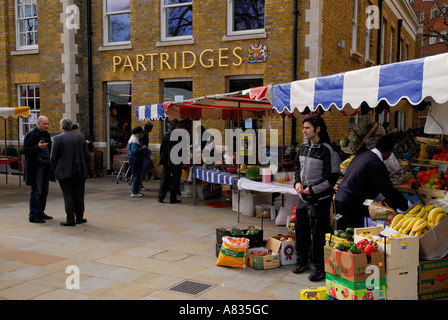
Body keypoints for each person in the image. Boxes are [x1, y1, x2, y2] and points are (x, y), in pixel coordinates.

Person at [293, 114, 341, 281]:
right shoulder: (303, 148)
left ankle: (320, 267)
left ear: (317, 129)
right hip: (303, 198)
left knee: (319, 234)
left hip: (320, 200)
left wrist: (312, 189)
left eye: (307, 128)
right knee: (301, 231)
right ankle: (302, 261)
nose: (304, 131)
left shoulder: (328, 150)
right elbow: (297, 168)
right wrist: (297, 183)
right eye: (303, 127)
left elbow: (333, 176)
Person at [335, 134, 412, 230]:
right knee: (355, 233)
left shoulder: (362, 155)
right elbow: (387, 189)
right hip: (351, 203)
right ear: (389, 153)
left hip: (340, 198)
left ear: (376, 146)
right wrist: (405, 205)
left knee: (342, 233)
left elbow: (372, 186)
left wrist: (389, 202)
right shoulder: (376, 164)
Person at [50, 118, 89, 226]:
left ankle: (70, 219)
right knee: (79, 195)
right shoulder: (81, 138)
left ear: (62, 127)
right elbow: (87, 155)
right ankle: (79, 218)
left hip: (64, 172)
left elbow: (53, 157)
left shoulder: (57, 139)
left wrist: (55, 168)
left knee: (68, 195)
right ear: (71, 127)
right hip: (79, 171)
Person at [21, 116, 55, 223]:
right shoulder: (31, 135)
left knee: (44, 190)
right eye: (44, 124)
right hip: (36, 167)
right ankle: (33, 215)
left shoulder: (46, 135)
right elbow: (25, 150)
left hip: (46, 165)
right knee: (36, 191)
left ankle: (41, 212)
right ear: (38, 123)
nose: (46, 126)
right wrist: (38, 147)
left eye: (47, 124)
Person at [158, 122, 185, 204]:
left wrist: (162, 158)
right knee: (175, 180)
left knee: (164, 179)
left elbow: (161, 148)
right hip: (176, 162)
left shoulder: (166, 135)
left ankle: (161, 197)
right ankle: (172, 198)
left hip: (166, 161)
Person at [128, 126, 147, 198]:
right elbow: (134, 151)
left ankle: (136, 191)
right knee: (136, 175)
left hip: (134, 158)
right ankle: (134, 192)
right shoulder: (134, 140)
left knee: (136, 175)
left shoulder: (133, 138)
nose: (141, 134)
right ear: (137, 133)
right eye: (140, 133)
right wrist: (142, 148)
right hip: (135, 159)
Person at [139, 122, 153, 191]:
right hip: (143, 153)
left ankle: (140, 184)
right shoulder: (144, 134)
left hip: (143, 153)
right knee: (142, 170)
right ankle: (140, 185)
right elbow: (142, 144)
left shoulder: (143, 133)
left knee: (142, 170)